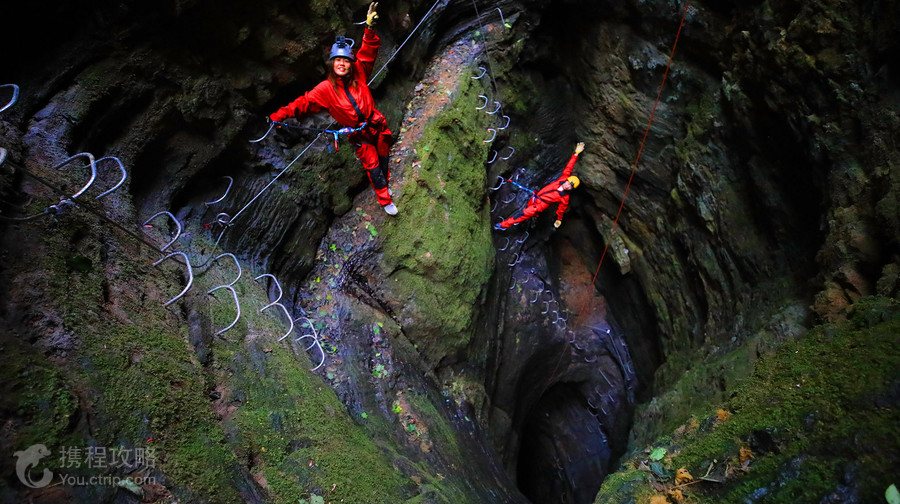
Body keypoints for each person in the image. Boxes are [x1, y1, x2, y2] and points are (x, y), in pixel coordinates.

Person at [269, 2, 398, 215]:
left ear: (350, 62)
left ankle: (385, 183)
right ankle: (385, 199)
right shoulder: (325, 89)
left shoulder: (359, 71)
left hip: (376, 123)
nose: (342, 64)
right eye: (337, 60)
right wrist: (278, 116)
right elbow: (302, 103)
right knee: (372, 165)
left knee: (384, 156)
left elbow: (369, 51)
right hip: (359, 134)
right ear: (332, 63)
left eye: (345, 60)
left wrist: (370, 29)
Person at [494, 142, 584, 230]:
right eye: (568, 183)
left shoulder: (565, 198)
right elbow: (569, 167)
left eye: (570, 186)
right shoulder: (563, 179)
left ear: (571, 189)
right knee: (525, 209)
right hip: (536, 196)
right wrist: (576, 154)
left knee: (522, 214)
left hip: (538, 207)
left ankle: (502, 225)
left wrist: (558, 220)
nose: (567, 185)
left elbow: (561, 210)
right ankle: (531, 218)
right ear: (567, 180)